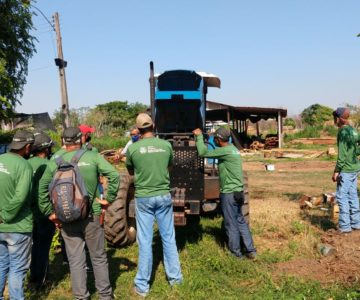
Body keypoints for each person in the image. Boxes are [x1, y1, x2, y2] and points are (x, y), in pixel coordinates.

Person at [38, 127, 120, 300]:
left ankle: (81, 297)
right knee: (98, 257)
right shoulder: (93, 156)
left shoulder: (55, 160)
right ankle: (105, 296)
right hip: (92, 215)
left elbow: (42, 187)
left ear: (62, 141)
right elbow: (114, 175)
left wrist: (50, 213)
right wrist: (109, 199)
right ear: (81, 139)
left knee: (75, 260)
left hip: (66, 216)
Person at [126, 113, 182, 297]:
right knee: (168, 238)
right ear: (154, 125)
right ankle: (175, 280)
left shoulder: (133, 149)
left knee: (145, 241)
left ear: (138, 130)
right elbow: (170, 167)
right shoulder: (166, 145)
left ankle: (142, 286)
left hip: (144, 197)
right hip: (163, 196)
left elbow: (130, 171)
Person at [192, 127, 257, 259]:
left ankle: (236, 254)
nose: (214, 140)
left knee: (230, 223)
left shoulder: (225, 151)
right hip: (238, 192)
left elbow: (203, 152)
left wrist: (198, 137)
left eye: (215, 138)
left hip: (229, 193)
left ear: (219, 139)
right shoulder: (233, 149)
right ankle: (251, 250)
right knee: (240, 221)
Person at [0, 130, 34, 300]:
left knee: (0, 265)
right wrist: (5, 215)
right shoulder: (24, 166)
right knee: (17, 269)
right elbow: (20, 196)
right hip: (18, 227)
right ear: (27, 147)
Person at [28, 131, 56, 289]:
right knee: (43, 247)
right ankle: (39, 281)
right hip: (45, 214)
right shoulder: (50, 165)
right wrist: (51, 213)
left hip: (28, 214)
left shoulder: (25, 163)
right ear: (45, 150)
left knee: (33, 246)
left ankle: (32, 277)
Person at [332, 107, 360, 233]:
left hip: (346, 170)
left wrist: (336, 171)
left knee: (342, 196)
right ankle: (356, 223)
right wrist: (354, 154)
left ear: (338, 119)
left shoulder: (342, 132)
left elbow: (342, 155)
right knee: (353, 195)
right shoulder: (353, 131)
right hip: (355, 167)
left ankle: (345, 227)